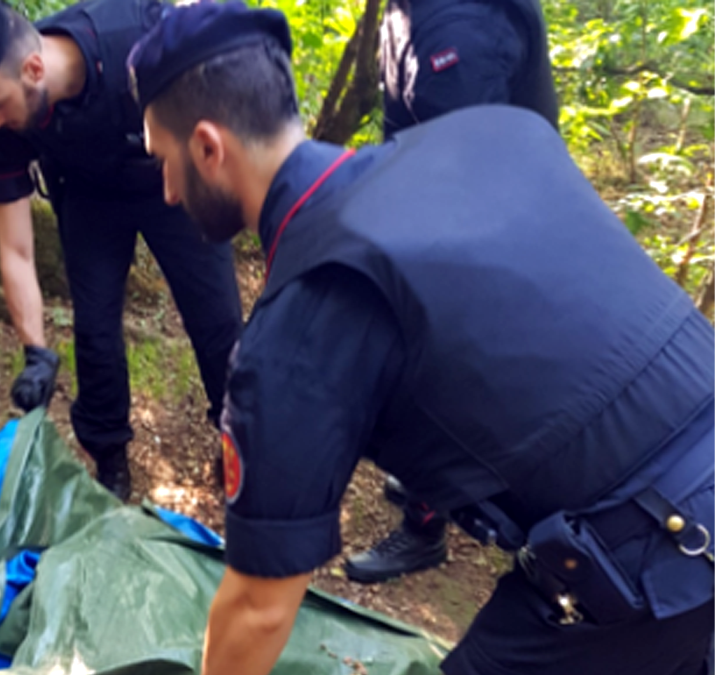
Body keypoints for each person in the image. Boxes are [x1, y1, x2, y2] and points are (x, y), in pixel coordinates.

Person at [127, 2, 715, 674]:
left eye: (163, 161)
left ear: (208, 146)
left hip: (654, 548)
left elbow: (258, 607)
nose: (167, 191)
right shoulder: (478, 138)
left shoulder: (311, 307)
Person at [0, 0, 243, 501]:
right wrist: (36, 352)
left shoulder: (141, 40)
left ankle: (240, 442)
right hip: (88, 195)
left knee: (217, 322)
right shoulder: (5, 126)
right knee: (95, 331)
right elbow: (16, 250)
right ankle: (110, 465)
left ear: (34, 69)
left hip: (172, 177)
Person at [346, 0, 561, 584]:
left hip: (492, 231)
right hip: (452, 215)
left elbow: (469, 173)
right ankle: (430, 484)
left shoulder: (458, 28)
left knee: (439, 367)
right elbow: (406, 137)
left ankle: (427, 527)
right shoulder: (406, 13)